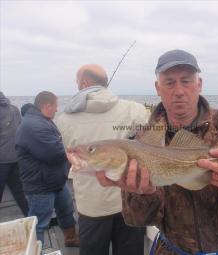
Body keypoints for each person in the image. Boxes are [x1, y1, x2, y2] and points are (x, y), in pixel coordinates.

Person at [94, 49, 218, 255]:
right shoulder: (143, 140)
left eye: (186, 81)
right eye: (169, 82)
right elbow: (137, 219)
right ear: (157, 88)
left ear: (199, 84)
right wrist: (143, 194)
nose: (178, 91)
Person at [55, 64, 149, 255]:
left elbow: (71, 155)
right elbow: (152, 141)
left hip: (92, 208)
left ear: (85, 83)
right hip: (129, 201)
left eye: (77, 82)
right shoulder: (135, 109)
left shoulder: (64, 119)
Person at [15, 91, 79, 247]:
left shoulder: (42, 120)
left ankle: (70, 239)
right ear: (47, 105)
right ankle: (36, 250)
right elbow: (54, 154)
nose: (57, 109)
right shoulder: (34, 125)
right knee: (40, 222)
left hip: (56, 180)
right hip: (40, 185)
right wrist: (73, 151)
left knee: (66, 211)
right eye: (56, 106)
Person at [0, 91, 29, 216]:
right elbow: (21, 131)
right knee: (19, 192)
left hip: (2, 160)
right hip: (16, 157)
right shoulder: (14, 109)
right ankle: (30, 218)